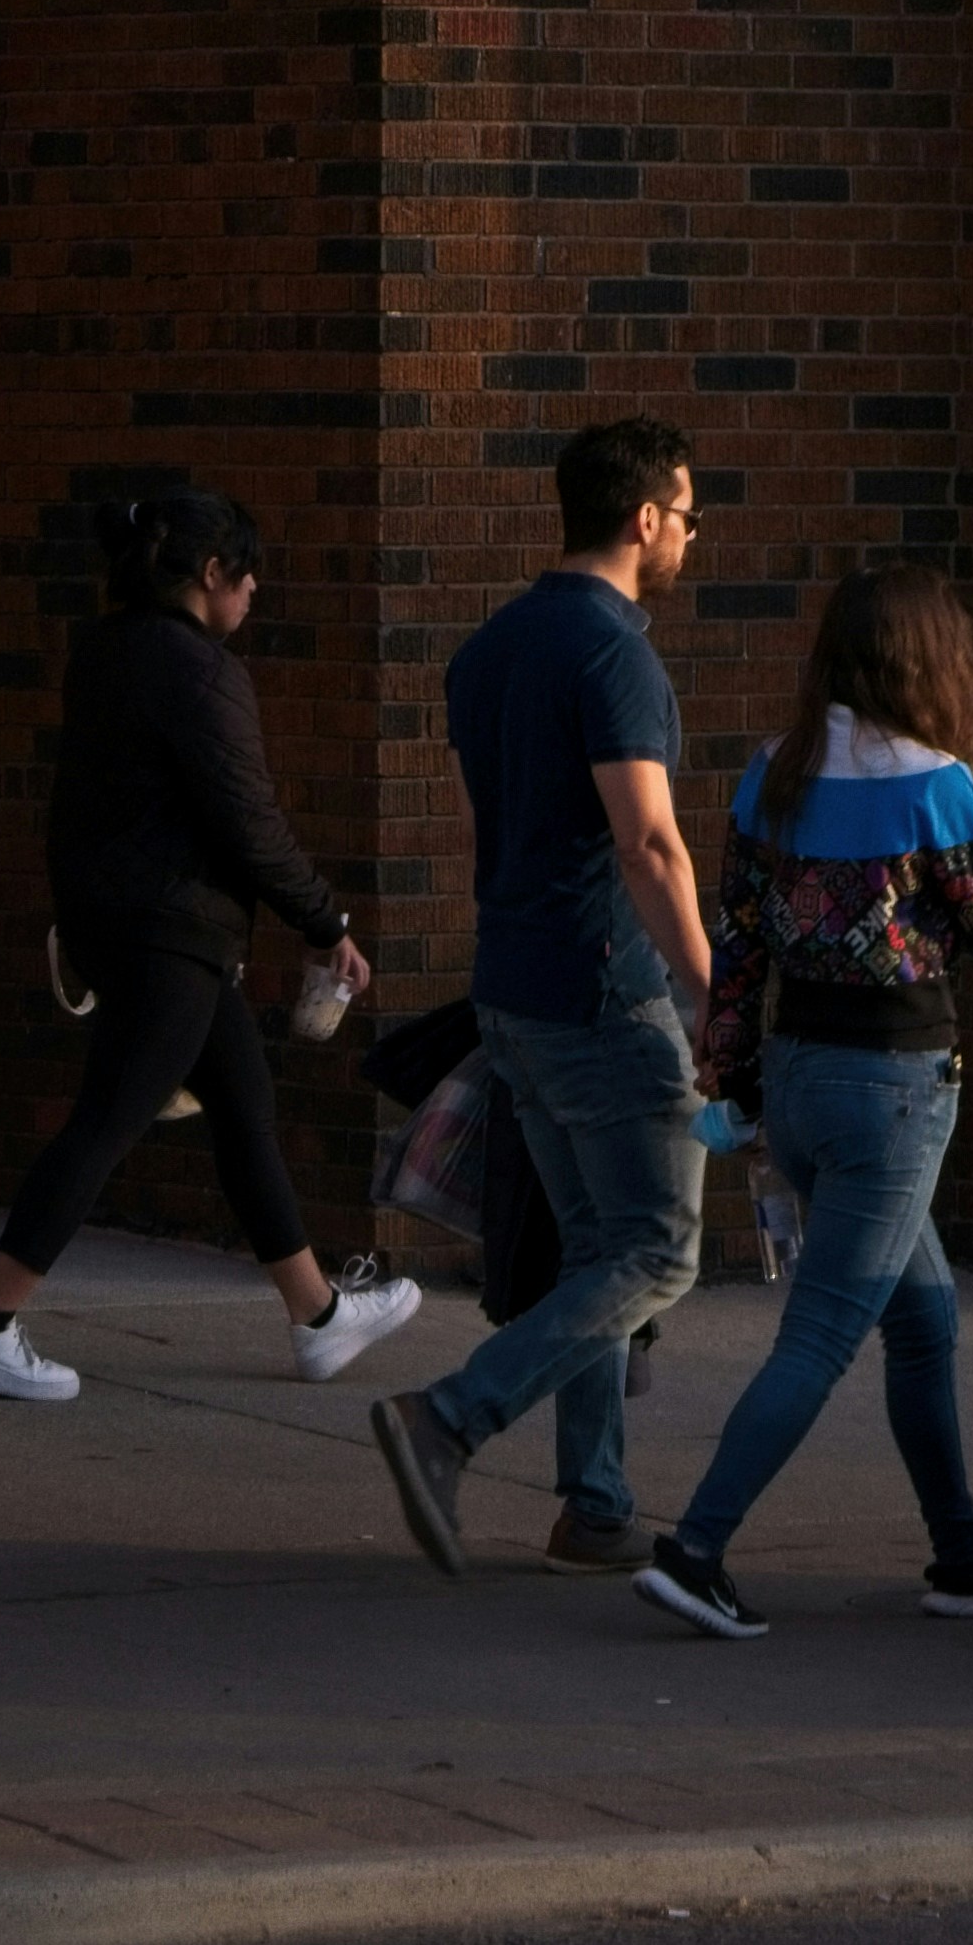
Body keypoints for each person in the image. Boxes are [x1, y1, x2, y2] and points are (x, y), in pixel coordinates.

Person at [635, 560, 973, 1640]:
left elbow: (740, 938)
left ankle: (959, 1555)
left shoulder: (773, 773)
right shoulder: (937, 783)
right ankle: (696, 1548)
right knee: (819, 1340)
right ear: (928, 660)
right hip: (894, 1091)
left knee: (927, 1318)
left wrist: (731, 1063)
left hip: (797, 1078)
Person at [0, 489, 420, 1402]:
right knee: (107, 1118)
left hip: (125, 921)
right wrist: (327, 924)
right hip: (169, 931)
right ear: (210, 576)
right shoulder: (196, 671)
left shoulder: (107, 650)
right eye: (247, 577)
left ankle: (317, 1316)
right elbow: (249, 820)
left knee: (242, 1104)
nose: (255, 593)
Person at [369, 415, 712, 1579]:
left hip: (511, 985)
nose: (690, 537)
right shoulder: (612, 653)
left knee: (594, 1251)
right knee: (659, 1252)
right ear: (644, 518)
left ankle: (598, 1505)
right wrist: (715, 992)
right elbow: (649, 843)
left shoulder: (491, 646)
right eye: (687, 515)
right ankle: (447, 1418)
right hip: (601, 986)